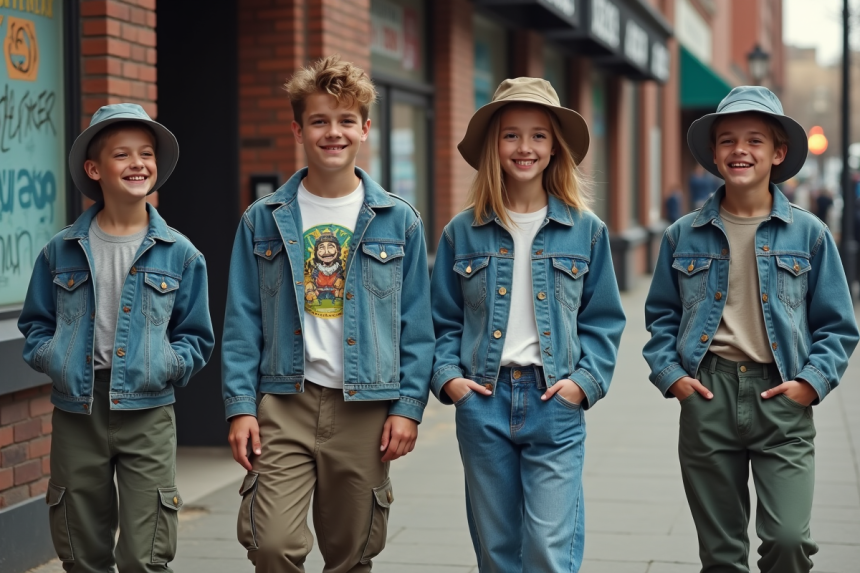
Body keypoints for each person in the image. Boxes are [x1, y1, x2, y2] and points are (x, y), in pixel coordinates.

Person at [222, 55, 434, 572]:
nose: (332, 133)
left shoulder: (398, 221)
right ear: (298, 129)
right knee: (271, 543)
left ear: (364, 128)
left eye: (344, 121)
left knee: (351, 551)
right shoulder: (263, 220)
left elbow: (418, 326)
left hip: (365, 406)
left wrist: (408, 407)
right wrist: (240, 406)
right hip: (284, 402)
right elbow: (241, 321)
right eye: (318, 120)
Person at [643, 86, 860, 573]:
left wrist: (810, 384)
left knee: (787, 541)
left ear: (778, 153)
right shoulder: (682, 235)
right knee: (721, 555)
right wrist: (672, 377)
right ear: (714, 155)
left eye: (755, 140)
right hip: (708, 394)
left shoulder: (810, 234)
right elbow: (660, 317)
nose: (740, 150)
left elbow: (838, 326)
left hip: (780, 396)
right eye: (727, 140)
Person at [430, 77, 626, 573]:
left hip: (553, 402)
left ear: (555, 147)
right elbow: (441, 320)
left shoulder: (586, 230)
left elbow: (603, 321)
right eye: (511, 134)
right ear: (494, 145)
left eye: (539, 135)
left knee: (546, 549)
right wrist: (451, 381)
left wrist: (582, 385)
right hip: (483, 402)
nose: (525, 147)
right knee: (497, 551)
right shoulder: (461, 231)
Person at [18, 103, 215, 572]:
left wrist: (163, 364)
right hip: (78, 409)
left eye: (145, 154)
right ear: (94, 169)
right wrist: (58, 359)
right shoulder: (60, 250)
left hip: (148, 410)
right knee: (82, 551)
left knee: (144, 553)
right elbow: (34, 326)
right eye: (122, 155)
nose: (137, 164)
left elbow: (196, 337)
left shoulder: (181, 254)